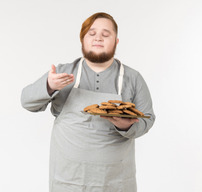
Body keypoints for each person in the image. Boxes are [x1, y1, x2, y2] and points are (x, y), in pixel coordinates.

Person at [21, 12, 155, 192]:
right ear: (82, 40)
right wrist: (49, 86)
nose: (98, 38)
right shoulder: (62, 73)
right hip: (67, 182)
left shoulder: (133, 78)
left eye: (106, 34)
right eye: (91, 34)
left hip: (116, 182)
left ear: (116, 41)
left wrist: (126, 127)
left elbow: (148, 119)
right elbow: (27, 101)